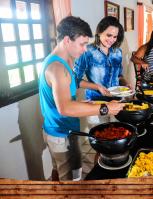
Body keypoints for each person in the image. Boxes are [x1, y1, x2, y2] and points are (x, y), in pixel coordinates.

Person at [39, 16, 125, 181]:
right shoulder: (57, 68)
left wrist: (86, 101)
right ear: (67, 40)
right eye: (82, 44)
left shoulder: (64, 61)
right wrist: (105, 108)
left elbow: (67, 95)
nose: (85, 49)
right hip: (59, 132)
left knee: (69, 171)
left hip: (66, 128)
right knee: (70, 179)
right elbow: (65, 108)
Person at [74, 16, 130, 102]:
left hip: (117, 100)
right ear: (99, 32)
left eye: (115, 37)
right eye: (109, 35)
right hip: (96, 101)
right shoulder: (87, 51)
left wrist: (126, 84)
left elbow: (119, 76)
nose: (112, 40)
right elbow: (75, 80)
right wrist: (98, 87)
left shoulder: (117, 52)